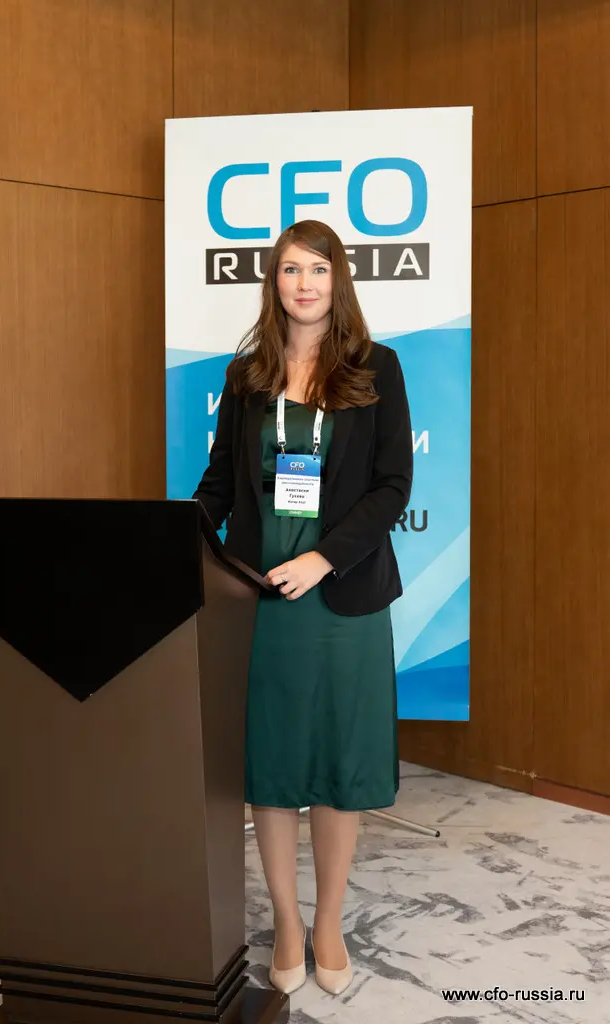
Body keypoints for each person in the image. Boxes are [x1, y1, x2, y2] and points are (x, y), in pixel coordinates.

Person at [194, 219, 413, 996]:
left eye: (317, 269)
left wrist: (323, 557)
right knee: (275, 762)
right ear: (274, 283)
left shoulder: (376, 367)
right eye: (290, 270)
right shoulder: (246, 374)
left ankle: (328, 924)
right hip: (261, 601)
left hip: (343, 596)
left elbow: (392, 485)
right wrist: (175, 542)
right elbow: (219, 483)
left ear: (337, 280)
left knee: (338, 764)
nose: (304, 284)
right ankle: (288, 922)